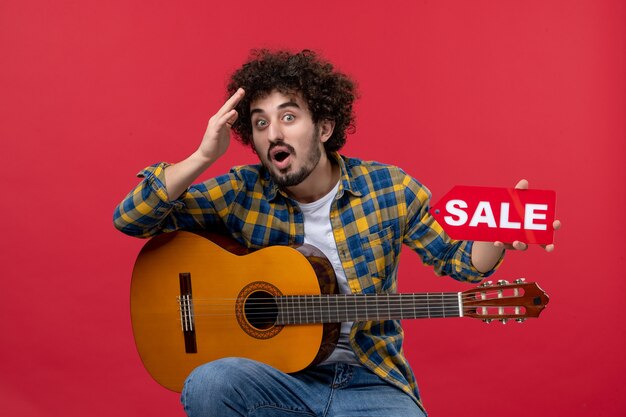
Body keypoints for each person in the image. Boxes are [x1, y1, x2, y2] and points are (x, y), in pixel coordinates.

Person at [113, 49, 560, 417]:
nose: (273, 133)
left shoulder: (389, 189)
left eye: (288, 117)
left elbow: (458, 260)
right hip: (279, 382)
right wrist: (201, 157)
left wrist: (494, 238)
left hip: (371, 383)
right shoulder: (239, 192)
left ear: (324, 129)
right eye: (260, 122)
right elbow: (132, 218)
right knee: (209, 383)